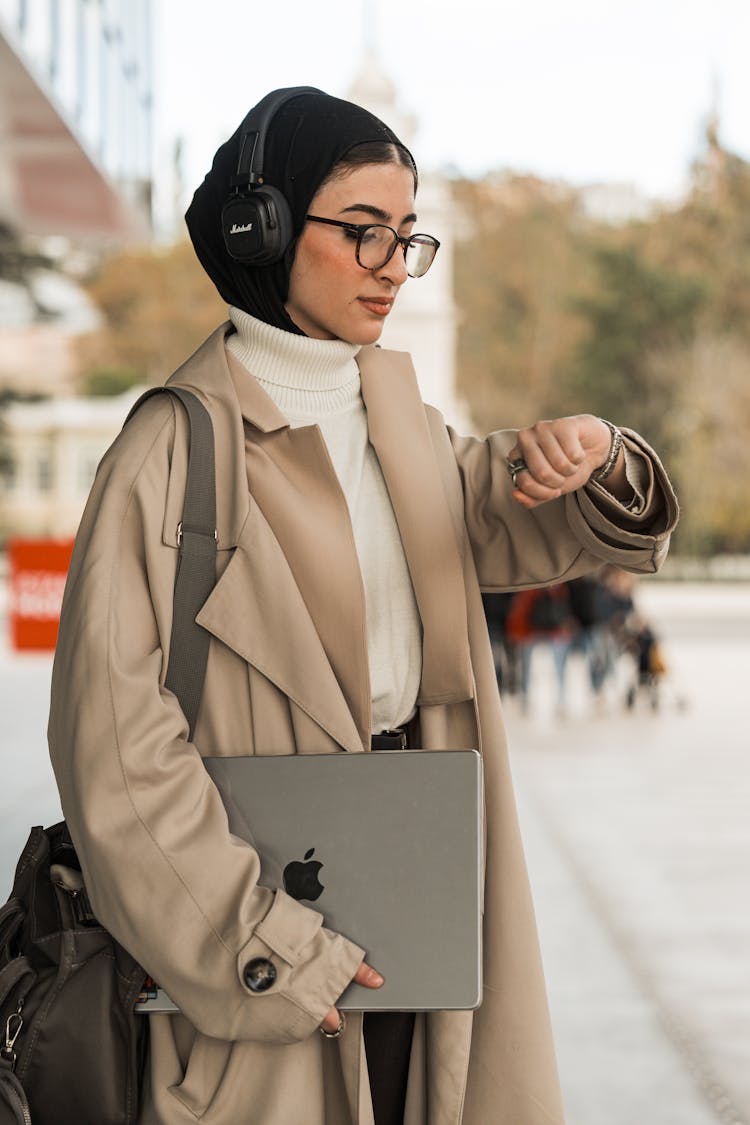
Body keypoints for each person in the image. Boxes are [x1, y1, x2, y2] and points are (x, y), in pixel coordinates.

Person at [47, 87, 679, 1125]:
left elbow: (528, 515)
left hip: (417, 896)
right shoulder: (169, 451)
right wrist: (262, 948)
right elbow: (115, 751)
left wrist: (597, 454)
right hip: (255, 931)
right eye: (363, 232)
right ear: (266, 227)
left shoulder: (403, 421)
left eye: (409, 236)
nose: (394, 263)